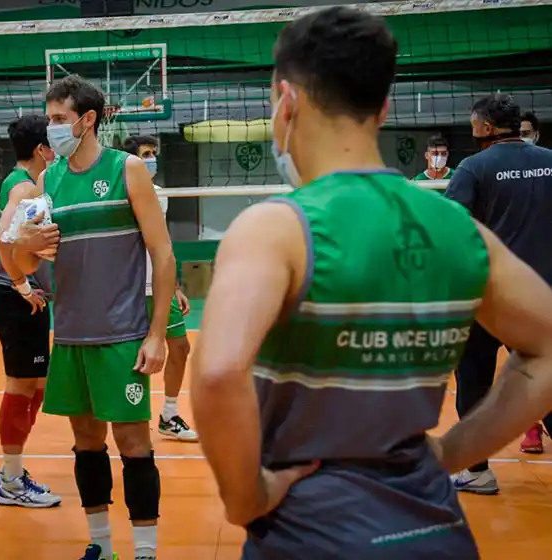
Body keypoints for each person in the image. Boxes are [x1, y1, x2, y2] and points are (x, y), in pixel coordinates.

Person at [190, 7, 552, 559]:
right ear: (383, 108)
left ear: (286, 101)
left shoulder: (275, 228)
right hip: (436, 530)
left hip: (311, 534)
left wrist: (246, 498)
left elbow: (218, 373)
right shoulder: (458, 229)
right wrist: (451, 453)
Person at [15, 75, 176, 560]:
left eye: (59, 118)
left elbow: (163, 253)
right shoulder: (48, 181)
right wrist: (25, 246)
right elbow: (27, 264)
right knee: (86, 442)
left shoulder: (128, 169)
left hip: (122, 335)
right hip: (70, 336)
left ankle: (144, 551)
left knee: (133, 442)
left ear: (88, 119)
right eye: (49, 118)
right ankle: (101, 547)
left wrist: (157, 334)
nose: (51, 127)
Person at [445, 94, 552, 477]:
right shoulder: (550, 160)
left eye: (473, 123)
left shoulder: (473, 167)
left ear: (486, 127)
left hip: (489, 295)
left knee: (474, 380)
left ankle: (476, 472)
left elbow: (451, 230)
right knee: (547, 379)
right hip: (542, 295)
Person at [0, 115, 62, 508]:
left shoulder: (22, 182)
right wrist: (21, 284)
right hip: (17, 298)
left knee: (36, 386)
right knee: (21, 387)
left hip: (25, 297)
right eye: (54, 143)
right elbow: (3, 239)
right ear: (41, 149)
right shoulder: (26, 187)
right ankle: (11, 481)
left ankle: (9, 471)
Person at [121, 135, 197, 442]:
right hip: (132, 288)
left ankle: (169, 414)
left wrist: (174, 285)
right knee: (132, 357)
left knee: (180, 347)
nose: (152, 159)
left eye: (153, 153)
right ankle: (130, 418)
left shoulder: (160, 195)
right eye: (146, 154)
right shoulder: (121, 193)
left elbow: (163, 244)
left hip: (160, 287)